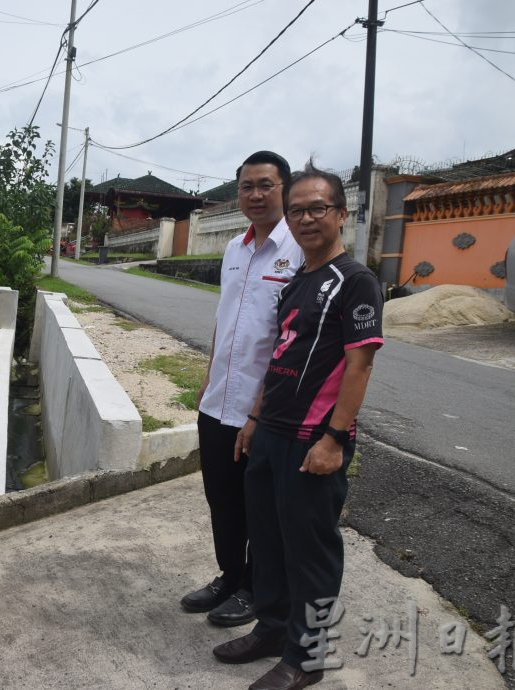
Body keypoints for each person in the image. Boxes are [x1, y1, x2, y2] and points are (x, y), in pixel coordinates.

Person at [213, 163, 384, 690]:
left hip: (314, 441)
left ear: (341, 214)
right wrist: (255, 418)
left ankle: (307, 657)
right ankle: (271, 628)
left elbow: (360, 366)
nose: (307, 219)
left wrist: (334, 439)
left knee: (310, 551)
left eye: (318, 209)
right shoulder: (296, 282)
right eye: (298, 211)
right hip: (270, 433)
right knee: (266, 540)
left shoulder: (355, 282)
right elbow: (277, 356)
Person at [182, 151, 303, 627]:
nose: (255, 194)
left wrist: (256, 412)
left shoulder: (298, 253)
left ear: (284, 190)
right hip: (219, 401)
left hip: (265, 408)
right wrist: (209, 376)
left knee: (261, 509)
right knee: (222, 500)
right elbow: (225, 321)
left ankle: (256, 588)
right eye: (247, 186)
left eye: (266, 185)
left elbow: (291, 344)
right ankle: (229, 577)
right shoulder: (234, 249)